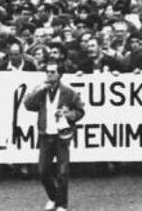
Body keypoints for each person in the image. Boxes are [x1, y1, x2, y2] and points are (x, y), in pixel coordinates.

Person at [23, 61, 85, 211]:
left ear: (59, 75)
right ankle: (53, 196)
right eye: (47, 72)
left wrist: (69, 114)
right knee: (43, 170)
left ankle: (62, 204)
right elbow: (28, 105)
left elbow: (80, 111)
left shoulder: (68, 92)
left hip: (61, 135)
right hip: (45, 135)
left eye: (52, 72)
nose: (49, 74)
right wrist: (39, 90)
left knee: (62, 171)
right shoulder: (41, 90)